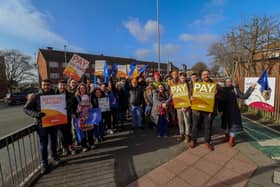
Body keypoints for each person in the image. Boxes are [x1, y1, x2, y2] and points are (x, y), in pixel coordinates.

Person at [23, 79, 60, 174]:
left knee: (54, 141)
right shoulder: (35, 96)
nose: (46, 86)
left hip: (53, 123)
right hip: (41, 124)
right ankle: (44, 163)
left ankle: (55, 157)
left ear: (51, 85)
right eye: (44, 85)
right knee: (43, 144)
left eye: (48, 85)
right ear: (41, 85)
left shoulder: (55, 95)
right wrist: (37, 114)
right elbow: (26, 109)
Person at [220, 78, 256, 146]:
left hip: (234, 111)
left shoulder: (235, 89)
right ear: (224, 83)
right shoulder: (222, 90)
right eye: (227, 81)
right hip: (224, 111)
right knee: (225, 125)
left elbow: (244, 96)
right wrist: (220, 110)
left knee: (234, 126)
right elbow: (219, 101)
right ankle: (226, 137)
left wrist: (251, 88)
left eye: (230, 81)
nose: (228, 83)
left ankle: (231, 140)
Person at [188, 70, 217, 151]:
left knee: (208, 127)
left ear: (209, 75)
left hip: (208, 110)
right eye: (204, 74)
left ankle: (207, 142)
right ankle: (194, 141)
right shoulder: (196, 84)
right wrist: (191, 97)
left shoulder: (214, 85)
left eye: (207, 74)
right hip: (197, 109)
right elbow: (190, 94)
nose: (206, 76)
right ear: (201, 76)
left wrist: (216, 93)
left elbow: (220, 96)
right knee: (195, 126)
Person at [71, 83, 95, 152]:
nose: (82, 89)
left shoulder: (89, 96)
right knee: (82, 131)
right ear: (78, 89)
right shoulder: (76, 97)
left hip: (88, 115)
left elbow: (92, 103)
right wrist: (73, 113)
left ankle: (91, 143)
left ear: (86, 89)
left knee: (90, 130)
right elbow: (72, 106)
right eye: (81, 88)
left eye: (83, 88)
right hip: (80, 116)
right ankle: (84, 146)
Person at [55, 80, 75, 156]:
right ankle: (64, 148)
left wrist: (72, 113)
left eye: (64, 85)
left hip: (67, 116)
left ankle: (70, 146)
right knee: (61, 134)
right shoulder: (53, 95)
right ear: (58, 86)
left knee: (68, 132)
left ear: (66, 86)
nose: (62, 87)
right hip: (58, 117)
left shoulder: (70, 95)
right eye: (61, 85)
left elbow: (72, 106)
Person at [175, 72, 191, 142]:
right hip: (179, 106)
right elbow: (175, 96)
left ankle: (187, 135)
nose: (183, 79)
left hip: (187, 106)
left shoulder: (188, 85)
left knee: (187, 121)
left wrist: (186, 106)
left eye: (184, 78)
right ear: (179, 78)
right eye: (181, 78)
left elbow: (190, 96)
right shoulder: (176, 85)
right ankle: (181, 134)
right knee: (180, 121)